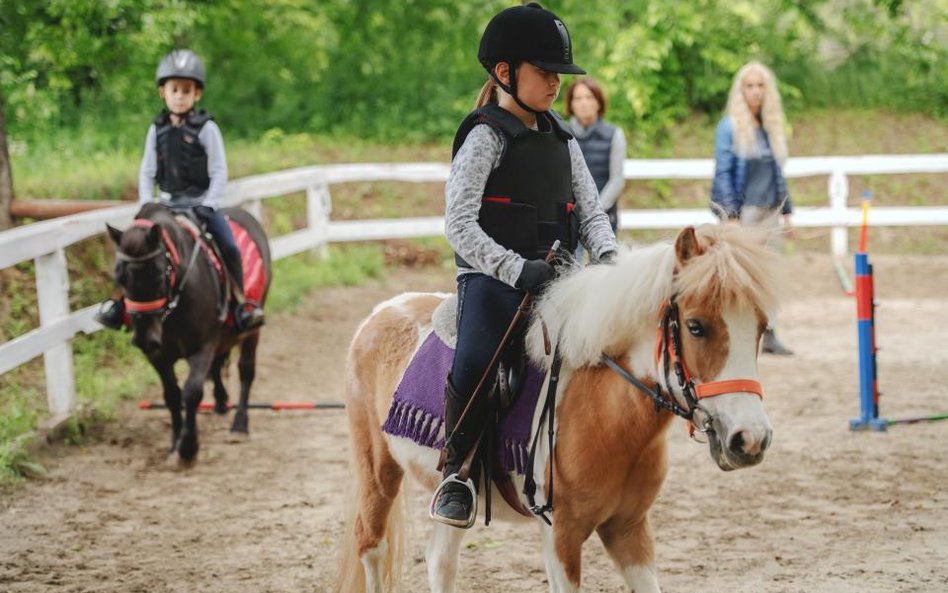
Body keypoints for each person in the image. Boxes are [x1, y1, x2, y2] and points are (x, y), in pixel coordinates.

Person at [432, 3, 618, 528]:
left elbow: (591, 213)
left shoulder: (563, 140)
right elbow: (459, 225)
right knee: (477, 360)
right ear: (506, 73)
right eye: (545, 72)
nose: (556, 84)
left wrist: (608, 260)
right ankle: (457, 472)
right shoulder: (484, 135)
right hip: (493, 279)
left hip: (560, 277)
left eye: (559, 73)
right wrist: (515, 269)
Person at [96, 49, 264, 333]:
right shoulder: (156, 129)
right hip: (165, 207)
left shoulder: (207, 128)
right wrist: (147, 203)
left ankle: (240, 303)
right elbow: (147, 171)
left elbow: (219, 171)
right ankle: (117, 304)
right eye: (175, 89)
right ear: (163, 92)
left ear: (197, 94)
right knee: (132, 247)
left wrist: (209, 204)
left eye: (187, 90)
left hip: (200, 205)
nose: (180, 95)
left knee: (230, 246)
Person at [710, 60, 793, 355]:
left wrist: (787, 210)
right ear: (740, 90)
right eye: (750, 86)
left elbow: (777, 172)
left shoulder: (770, 127)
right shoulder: (729, 127)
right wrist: (730, 215)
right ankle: (738, 333)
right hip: (744, 213)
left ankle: (769, 331)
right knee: (742, 276)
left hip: (770, 212)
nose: (756, 91)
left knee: (768, 274)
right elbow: (723, 172)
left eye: (760, 86)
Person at [564, 77, 626, 237]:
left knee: (604, 262)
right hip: (568, 219)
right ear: (571, 103)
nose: (583, 103)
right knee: (570, 262)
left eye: (589, 97)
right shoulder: (561, 134)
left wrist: (594, 211)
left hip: (604, 216)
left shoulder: (614, 135)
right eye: (578, 98)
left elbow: (617, 180)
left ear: (598, 102)